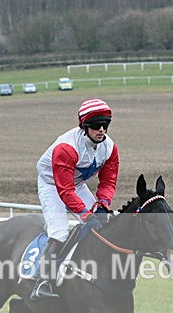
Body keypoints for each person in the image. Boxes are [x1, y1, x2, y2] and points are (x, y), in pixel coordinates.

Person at [31, 98, 119, 299]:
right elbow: (64, 191)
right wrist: (87, 215)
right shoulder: (66, 148)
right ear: (84, 126)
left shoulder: (110, 148)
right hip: (52, 185)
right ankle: (42, 281)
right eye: (96, 125)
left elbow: (108, 182)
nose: (102, 130)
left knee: (103, 226)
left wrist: (103, 204)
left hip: (76, 185)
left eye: (105, 125)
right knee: (60, 231)